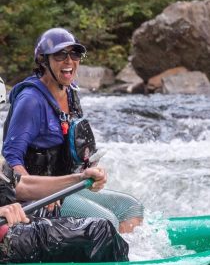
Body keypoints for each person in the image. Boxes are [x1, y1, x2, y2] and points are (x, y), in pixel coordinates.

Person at [2, 27, 144, 233]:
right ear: (43, 61)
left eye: (74, 53)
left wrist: (89, 170)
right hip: (37, 197)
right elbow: (11, 160)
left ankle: (129, 255)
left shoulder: (70, 93)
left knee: (131, 208)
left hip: (66, 187)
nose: (69, 60)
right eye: (60, 54)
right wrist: (39, 194)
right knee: (105, 221)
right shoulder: (30, 101)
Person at [0, 157, 129, 263]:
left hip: (13, 217)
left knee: (54, 210)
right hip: (5, 236)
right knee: (99, 231)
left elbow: (21, 185)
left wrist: (80, 178)